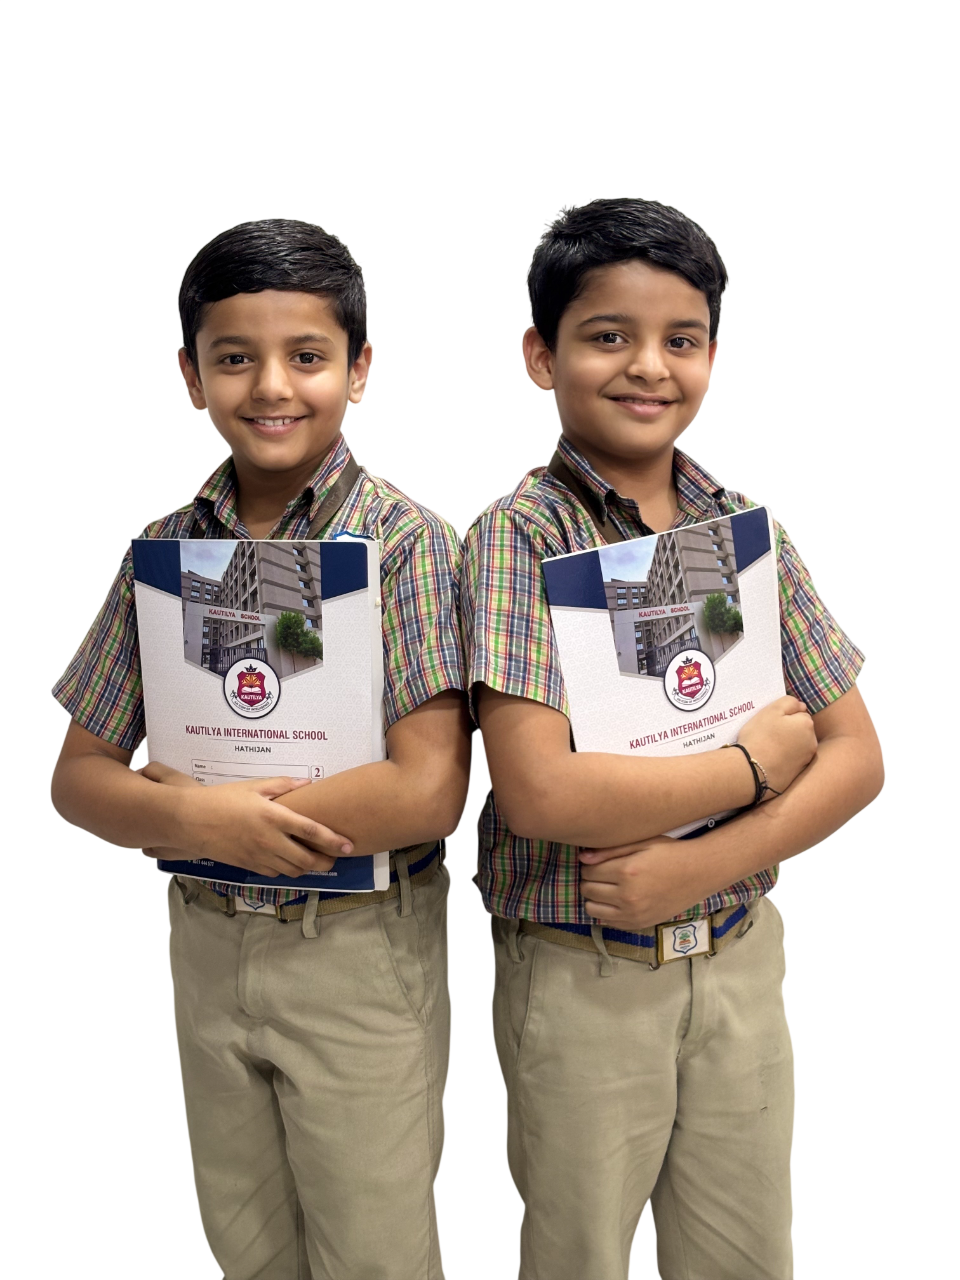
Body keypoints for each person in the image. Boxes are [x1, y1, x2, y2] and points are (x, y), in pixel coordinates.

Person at [459, 197, 885, 1280]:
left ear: (711, 357)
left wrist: (701, 861)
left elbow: (859, 755)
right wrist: (751, 763)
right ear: (537, 354)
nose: (648, 366)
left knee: (749, 1253)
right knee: (579, 1255)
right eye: (608, 335)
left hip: (741, 959)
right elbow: (540, 792)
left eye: (680, 340)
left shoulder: (744, 528)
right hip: (582, 977)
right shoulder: (517, 536)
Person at [49, 218, 469, 1280]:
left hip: (358, 950)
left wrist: (245, 820)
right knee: (245, 1242)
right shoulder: (165, 552)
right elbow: (77, 776)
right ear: (192, 378)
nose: (271, 386)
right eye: (234, 358)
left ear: (360, 372)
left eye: (308, 357)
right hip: (204, 940)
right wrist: (199, 820)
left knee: (374, 1249)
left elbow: (429, 789)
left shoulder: (411, 543)